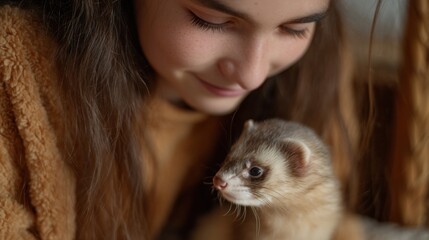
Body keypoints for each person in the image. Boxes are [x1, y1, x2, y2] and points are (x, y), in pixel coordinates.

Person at [0, 0, 358, 239]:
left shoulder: (314, 79)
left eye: (295, 28)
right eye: (212, 19)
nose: (252, 75)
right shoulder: (17, 77)